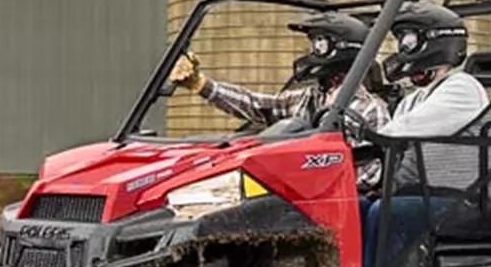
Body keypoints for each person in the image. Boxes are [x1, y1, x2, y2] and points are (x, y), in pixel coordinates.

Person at [360, 1, 491, 267]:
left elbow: (401, 131)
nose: (402, 49)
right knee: (358, 207)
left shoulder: (463, 88)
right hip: (430, 197)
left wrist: (362, 135)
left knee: (385, 214)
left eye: (408, 40)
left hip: (466, 201)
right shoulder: (413, 98)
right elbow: (405, 163)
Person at [167, 11, 392, 189]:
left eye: (320, 45)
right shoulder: (307, 98)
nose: (312, 53)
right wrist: (202, 85)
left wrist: (314, 185)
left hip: (341, 204)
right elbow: (256, 104)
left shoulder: (372, 109)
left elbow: (372, 174)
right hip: (298, 201)